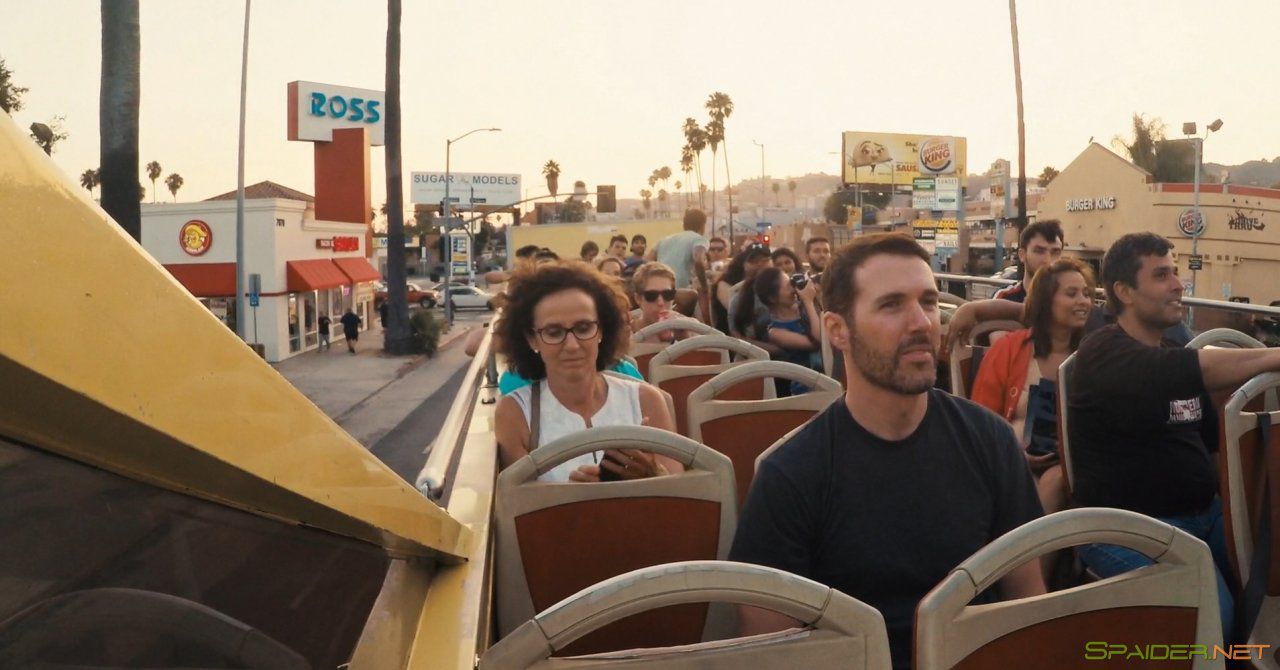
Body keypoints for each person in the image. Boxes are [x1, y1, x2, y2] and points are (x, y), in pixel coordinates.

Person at [730, 233, 1045, 669]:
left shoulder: (990, 441)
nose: (922, 323)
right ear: (838, 330)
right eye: (892, 305)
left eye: (929, 302)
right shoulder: (792, 475)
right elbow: (768, 650)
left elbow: (1028, 606)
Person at [1067, 233, 1280, 639]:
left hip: (1206, 515)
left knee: (1272, 584)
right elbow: (1192, 369)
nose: (1179, 284)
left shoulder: (1169, 352)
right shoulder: (1103, 352)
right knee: (1210, 618)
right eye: (1162, 275)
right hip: (1125, 528)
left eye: (1176, 273)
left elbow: (1214, 446)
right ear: (1124, 291)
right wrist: (1275, 355)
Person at [493, 261, 681, 482]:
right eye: (554, 332)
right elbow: (518, 500)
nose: (572, 345)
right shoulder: (515, 413)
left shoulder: (646, 400)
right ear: (532, 339)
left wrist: (653, 474)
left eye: (584, 328)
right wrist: (571, 496)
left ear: (601, 330)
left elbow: (681, 491)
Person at [971, 258, 1094, 516]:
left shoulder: (1092, 356)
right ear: (1046, 301)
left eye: (1086, 293)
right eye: (1071, 293)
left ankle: (1027, 542)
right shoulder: (1009, 349)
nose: (1084, 301)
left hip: (1068, 466)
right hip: (1008, 458)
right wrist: (1015, 454)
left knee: (1055, 480)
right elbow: (979, 419)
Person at [736, 267, 822, 395]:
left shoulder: (802, 308)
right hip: (808, 386)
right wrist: (809, 302)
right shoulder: (776, 332)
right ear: (772, 298)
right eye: (788, 287)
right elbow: (818, 341)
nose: (794, 289)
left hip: (828, 372)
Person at [994, 220, 1065, 303]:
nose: (1047, 260)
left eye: (1055, 252)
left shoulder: (1069, 300)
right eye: (1039, 251)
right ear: (1022, 255)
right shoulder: (1004, 298)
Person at [712, 242, 772, 335]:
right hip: (732, 337)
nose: (760, 264)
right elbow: (736, 311)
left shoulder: (776, 282)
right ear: (743, 264)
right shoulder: (725, 283)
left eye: (765, 260)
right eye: (754, 261)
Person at [631, 262, 693, 344]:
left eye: (667, 294)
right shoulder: (624, 333)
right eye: (652, 295)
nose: (661, 303)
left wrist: (684, 337)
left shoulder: (689, 326)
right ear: (638, 299)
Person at [650, 208, 710, 290]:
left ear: (684, 225)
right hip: (683, 290)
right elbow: (699, 260)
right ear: (703, 225)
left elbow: (648, 261)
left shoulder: (665, 240)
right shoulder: (699, 239)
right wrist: (704, 286)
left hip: (662, 289)